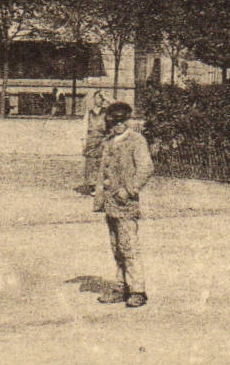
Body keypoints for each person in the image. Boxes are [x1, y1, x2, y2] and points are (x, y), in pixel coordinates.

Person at [94, 101, 153, 308]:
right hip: (110, 203)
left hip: (126, 203)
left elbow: (146, 168)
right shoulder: (109, 142)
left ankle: (138, 290)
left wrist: (129, 190)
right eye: (114, 121)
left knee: (129, 246)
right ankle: (121, 287)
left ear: (128, 120)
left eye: (122, 121)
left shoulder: (136, 140)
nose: (118, 125)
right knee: (116, 247)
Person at [82, 91, 110, 194]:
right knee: (91, 163)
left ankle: (103, 184)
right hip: (91, 139)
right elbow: (84, 126)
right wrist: (83, 140)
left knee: (103, 162)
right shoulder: (89, 112)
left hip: (103, 138)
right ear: (94, 99)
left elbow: (117, 107)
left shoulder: (106, 112)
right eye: (98, 98)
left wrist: (107, 98)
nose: (100, 100)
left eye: (101, 98)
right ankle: (92, 186)